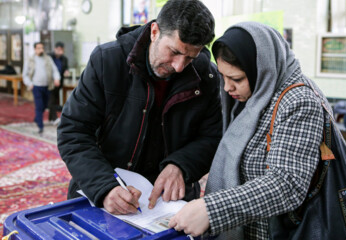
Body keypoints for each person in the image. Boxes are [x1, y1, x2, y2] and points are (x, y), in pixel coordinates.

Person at [57, 0, 222, 216]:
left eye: (191, 57)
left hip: (169, 201)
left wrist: (182, 165)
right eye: (173, 51)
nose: (179, 66)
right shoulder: (107, 61)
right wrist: (105, 187)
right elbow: (73, 131)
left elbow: (213, 137)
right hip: (103, 188)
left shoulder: (206, 76)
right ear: (155, 31)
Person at [169, 22, 330, 239]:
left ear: (261, 69)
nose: (227, 88)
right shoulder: (255, 94)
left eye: (236, 79)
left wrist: (211, 210)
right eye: (223, 77)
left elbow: (287, 183)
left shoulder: (299, 101)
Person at [23, 42, 60, 134]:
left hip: (47, 86)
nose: (41, 50)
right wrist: (29, 83)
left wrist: (57, 78)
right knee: (39, 106)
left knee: (45, 106)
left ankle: (37, 118)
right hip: (36, 87)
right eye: (39, 48)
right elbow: (25, 75)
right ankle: (40, 126)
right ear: (35, 49)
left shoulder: (48, 59)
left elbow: (55, 70)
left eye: (42, 48)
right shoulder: (30, 60)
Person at [48, 41, 69, 123]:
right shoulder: (49, 57)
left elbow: (66, 68)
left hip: (59, 82)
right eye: (59, 49)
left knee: (54, 99)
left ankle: (51, 119)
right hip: (50, 82)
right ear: (55, 49)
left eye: (62, 50)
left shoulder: (64, 59)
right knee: (51, 100)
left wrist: (66, 71)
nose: (60, 52)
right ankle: (54, 117)